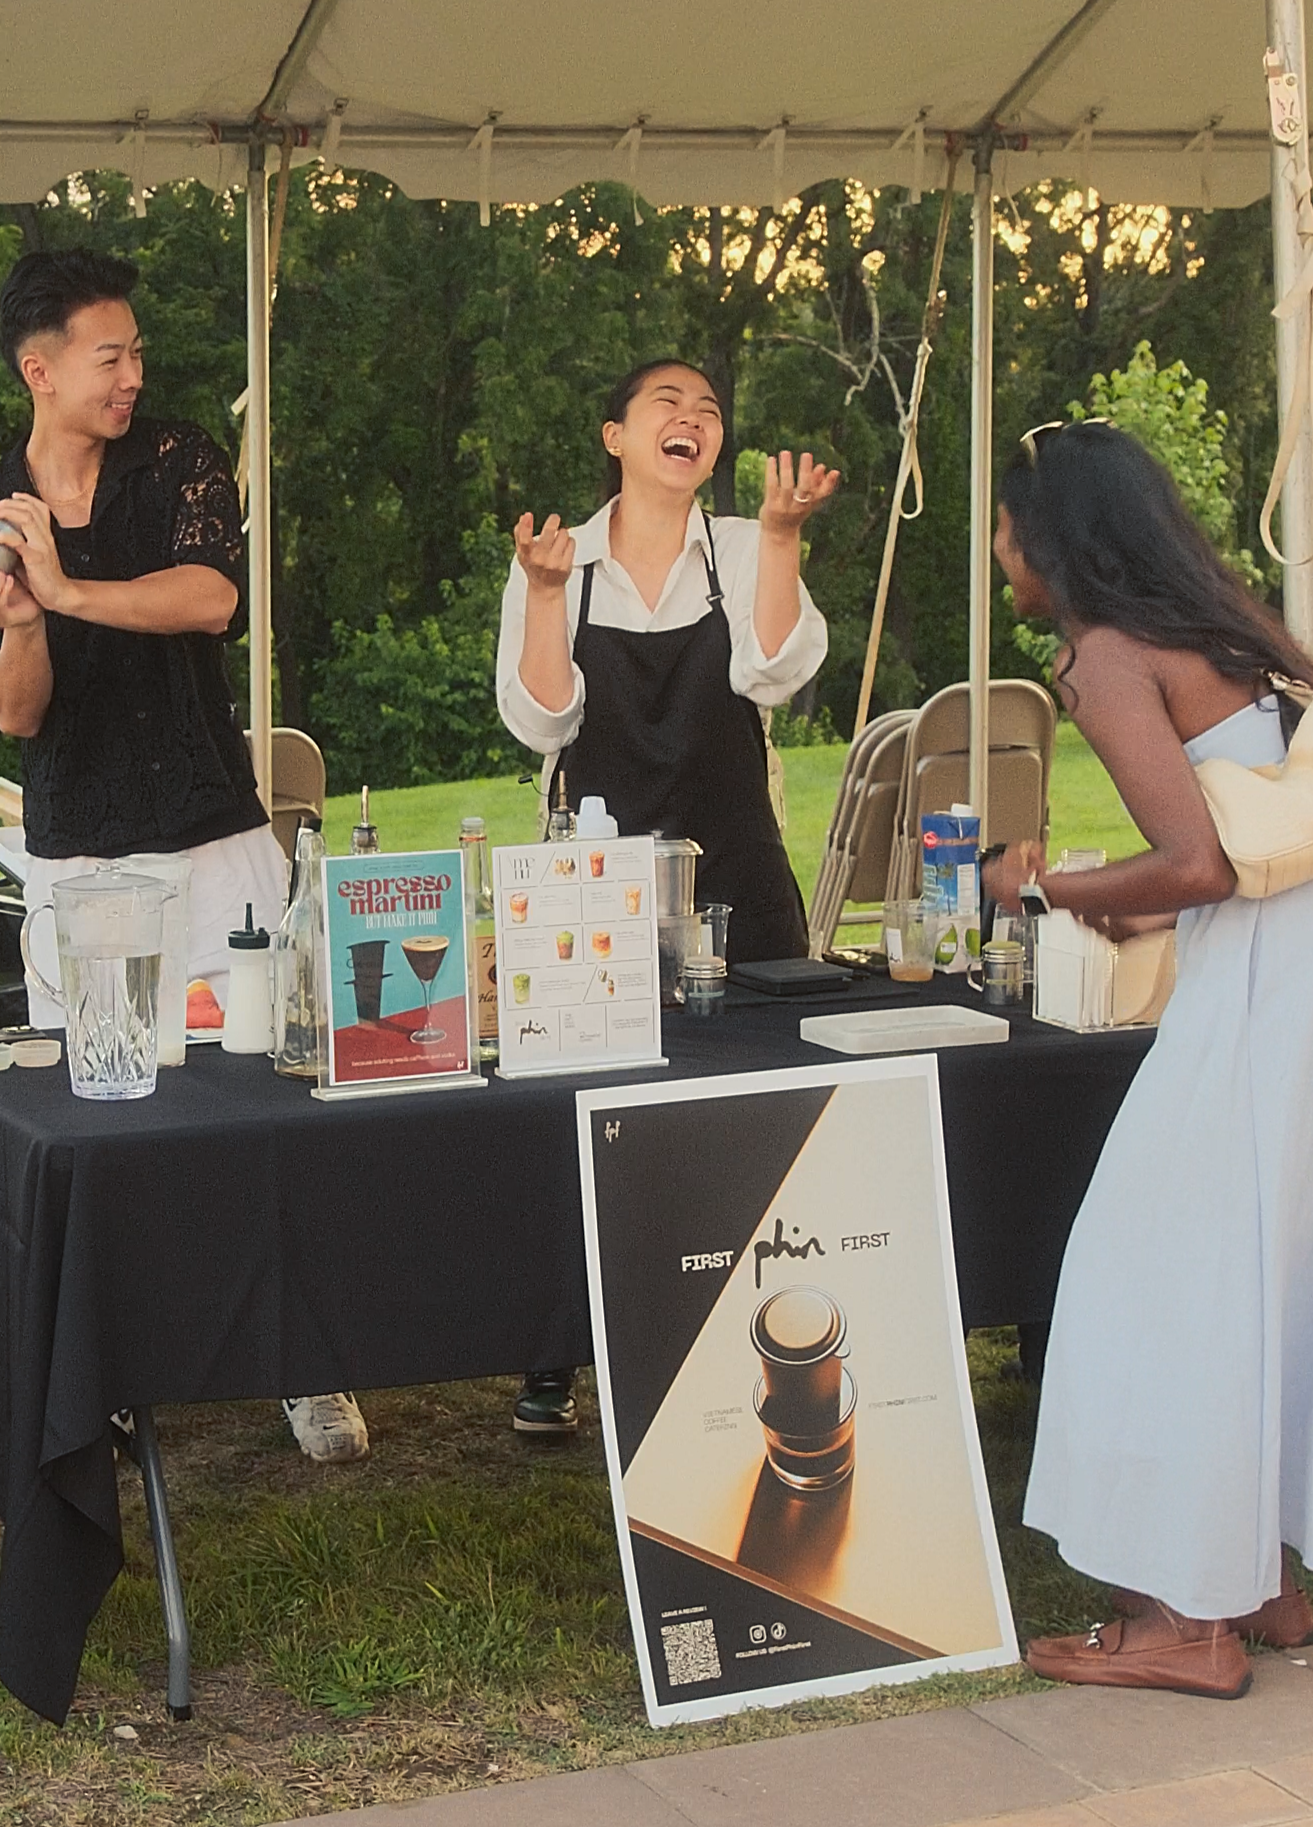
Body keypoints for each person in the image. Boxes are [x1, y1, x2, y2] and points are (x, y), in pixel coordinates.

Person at [982, 420, 1313, 1699]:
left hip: (1288, 972)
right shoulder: (1219, 621)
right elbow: (1234, 847)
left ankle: (1179, 1621)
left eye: (1002, 527)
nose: (995, 553)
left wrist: (1046, 887)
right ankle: (1260, 1582)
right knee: (1279, 1255)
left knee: (1153, 1277)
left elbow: (1196, 862)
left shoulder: (1100, 657)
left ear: (1050, 538)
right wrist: (1122, 894)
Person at [0, 249, 368, 1467]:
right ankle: (113, 1374)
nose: (133, 375)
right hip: (82, 868)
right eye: (108, 356)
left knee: (265, 1100)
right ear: (41, 368)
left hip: (218, 839)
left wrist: (64, 587)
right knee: (106, 1127)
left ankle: (306, 1361)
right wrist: (25, 624)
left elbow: (207, 598)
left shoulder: (177, 459)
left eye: (135, 354)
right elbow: (16, 715)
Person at [495, 358, 837, 1433]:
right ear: (615, 436)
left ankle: (763, 1324)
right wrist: (546, 597)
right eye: (666, 406)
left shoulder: (739, 548)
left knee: (759, 1099)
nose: (692, 420)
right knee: (582, 1115)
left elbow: (777, 670)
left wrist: (781, 537)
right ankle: (553, 1357)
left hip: (736, 871)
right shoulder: (561, 561)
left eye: (707, 410)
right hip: (593, 891)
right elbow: (541, 722)